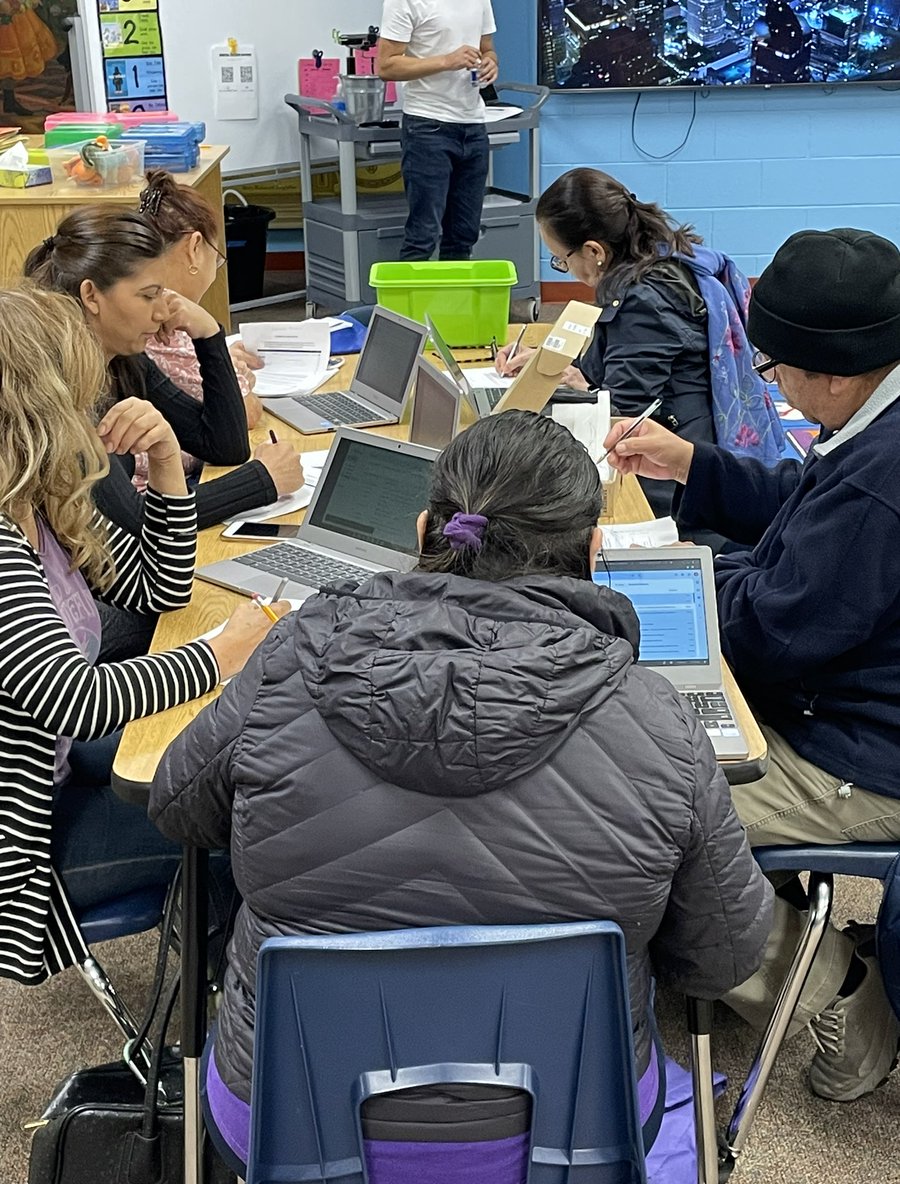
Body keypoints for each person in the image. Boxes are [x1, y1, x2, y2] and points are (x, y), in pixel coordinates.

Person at [149, 409, 771, 1176]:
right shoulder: (658, 719)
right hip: (573, 1128)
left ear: (423, 531)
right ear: (594, 550)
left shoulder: (294, 657)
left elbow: (177, 803)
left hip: (290, 1119)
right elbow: (724, 955)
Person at [605, 226, 900, 1102]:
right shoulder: (873, 422)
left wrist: (664, 582)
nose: (771, 385)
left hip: (859, 753)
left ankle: (843, 1002)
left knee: (633, 816)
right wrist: (693, 465)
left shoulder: (882, 478)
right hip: (835, 701)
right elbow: (804, 516)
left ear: (835, 375)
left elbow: (776, 627)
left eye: (775, 371)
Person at [0, 284, 288, 986]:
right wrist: (221, 652)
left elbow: (161, 591)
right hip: (21, 847)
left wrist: (165, 467)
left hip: (51, 773)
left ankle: (225, 1005)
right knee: (249, 826)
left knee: (223, 770)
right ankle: (228, 1045)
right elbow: (75, 700)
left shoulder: (41, 503)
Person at [497, 168, 784, 525]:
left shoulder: (643, 301)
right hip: (691, 445)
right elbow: (623, 370)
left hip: (670, 477)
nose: (566, 271)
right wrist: (551, 368)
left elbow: (622, 414)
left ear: (594, 251)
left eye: (562, 259)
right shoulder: (659, 260)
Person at [23, 207, 302, 537]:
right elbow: (137, 522)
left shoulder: (123, 361)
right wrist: (262, 480)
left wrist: (208, 334)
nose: (161, 311)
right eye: (148, 295)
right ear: (91, 295)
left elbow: (224, 445)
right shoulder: (57, 386)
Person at [132, 169, 264, 492]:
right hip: (159, 495)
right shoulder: (161, 321)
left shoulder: (151, 311)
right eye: (216, 259)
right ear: (194, 248)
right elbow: (242, 414)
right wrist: (229, 367)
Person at [378, 0, 499, 261]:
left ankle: (452, 302)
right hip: (427, 126)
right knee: (423, 234)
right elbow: (386, 66)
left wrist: (490, 62)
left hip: (474, 124)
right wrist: (446, 60)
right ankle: (407, 303)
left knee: (464, 234)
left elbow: (487, 49)